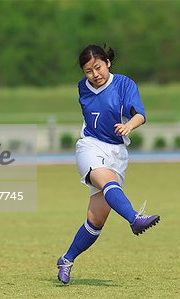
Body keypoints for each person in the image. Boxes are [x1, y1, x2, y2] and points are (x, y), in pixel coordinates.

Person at [56, 44, 161, 285]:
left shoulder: (125, 84)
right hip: (90, 147)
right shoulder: (83, 88)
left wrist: (129, 126)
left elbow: (140, 114)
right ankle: (135, 219)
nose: (95, 74)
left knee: (96, 221)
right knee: (108, 183)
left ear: (108, 63)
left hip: (117, 153)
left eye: (98, 67)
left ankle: (66, 259)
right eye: (88, 71)